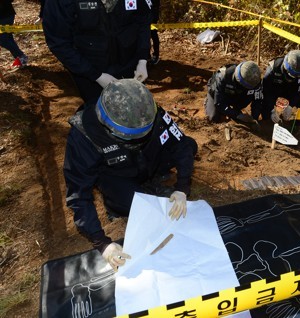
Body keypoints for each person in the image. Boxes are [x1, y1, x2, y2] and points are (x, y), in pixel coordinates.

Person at [63, 79, 198, 270]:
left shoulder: (149, 110)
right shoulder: (84, 135)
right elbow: (78, 194)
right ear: (107, 126)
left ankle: (154, 181)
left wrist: (183, 187)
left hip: (149, 160)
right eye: (130, 137)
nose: (136, 140)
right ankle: (118, 201)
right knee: (129, 205)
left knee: (190, 145)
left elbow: (181, 144)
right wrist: (103, 244)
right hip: (117, 174)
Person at [42, 0, 152, 104]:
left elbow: (143, 22)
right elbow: (59, 42)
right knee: (99, 113)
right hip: (89, 71)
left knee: (134, 110)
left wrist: (142, 60)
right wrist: (96, 76)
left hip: (130, 66)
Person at [257, 50, 300, 125]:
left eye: (297, 76)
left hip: (291, 89)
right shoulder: (273, 69)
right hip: (274, 89)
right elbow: (266, 91)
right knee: (266, 110)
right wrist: (271, 109)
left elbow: (299, 92)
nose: (293, 78)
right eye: (292, 75)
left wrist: (290, 106)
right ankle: (267, 118)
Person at [205, 61, 262, 131]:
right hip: (219, 95)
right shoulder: (223, 76)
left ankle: (234, 110)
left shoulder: (256, 82)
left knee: (245, 100)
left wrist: (254, 119)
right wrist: (238, 115)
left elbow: (257, 101)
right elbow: (219, 103)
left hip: (236, 95)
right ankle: (208, 102)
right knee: (213, 117)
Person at [0, 0, 28, 68]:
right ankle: (20, 59)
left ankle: (21, 56)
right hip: (5, 14)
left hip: (5, 15)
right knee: (8, 38)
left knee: (3, 40)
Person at [149, 0, 160, 65]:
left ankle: (156, 55)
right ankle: (147, 55)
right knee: (145, 35)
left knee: (153, 33)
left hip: (153, 12)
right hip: (145, 12)